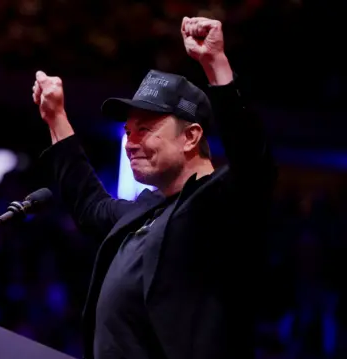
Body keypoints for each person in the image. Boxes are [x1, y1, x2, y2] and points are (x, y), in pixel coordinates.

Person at [33, 17, 277, 359]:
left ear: (191, 137)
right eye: (127, 131)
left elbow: (253, 161)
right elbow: (90, 206)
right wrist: (56, 117)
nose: (129, 142)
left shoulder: (223, 201)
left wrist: (215, 65)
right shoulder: (145, 209)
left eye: (145, 129)